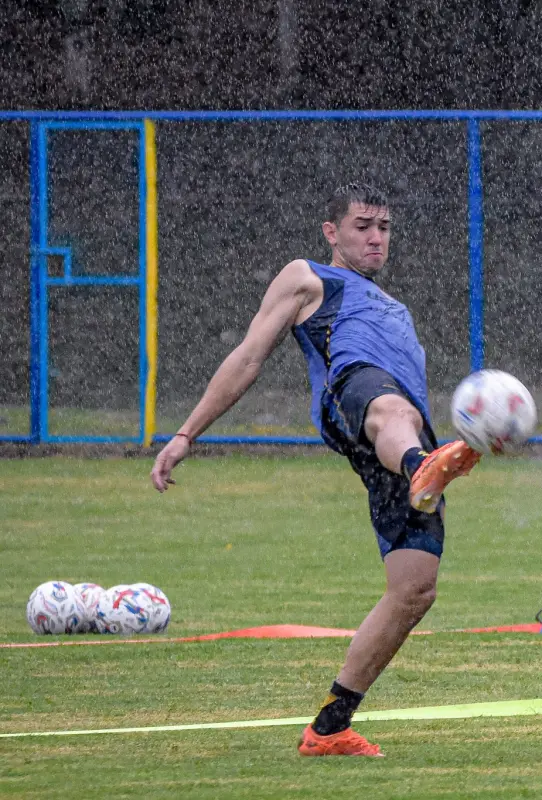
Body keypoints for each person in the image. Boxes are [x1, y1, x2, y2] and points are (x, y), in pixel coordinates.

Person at [150, 183, 481, 757]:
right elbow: (249, 355)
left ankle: (329, 726)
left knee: (414, 590)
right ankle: (420, 464)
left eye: (383, 227)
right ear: (332, 232)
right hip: (357, 399)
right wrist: (186, 434)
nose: (376, 237)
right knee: (391, 407)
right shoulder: (309, 277)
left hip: (399, 433)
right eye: (362, 226)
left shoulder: (396, 308)